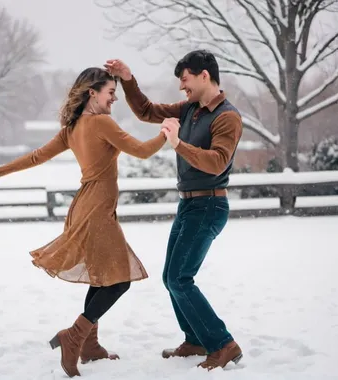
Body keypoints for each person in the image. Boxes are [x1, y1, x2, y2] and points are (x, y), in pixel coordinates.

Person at [0, 67, 170, 377]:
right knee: (118, 281)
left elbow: (37, 156)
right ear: (93, 93)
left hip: (86, 207)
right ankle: (74, 336)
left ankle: (89, 345)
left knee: (102, 277)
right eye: (110, 93)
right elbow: (143, 151)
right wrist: (166, 132)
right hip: (96, 213)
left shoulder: (73, 127)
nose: (114, 98)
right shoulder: (102, 123)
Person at [104, 50, 244, 371]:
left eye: (185, 80)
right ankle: (195, 339)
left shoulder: (227, 116)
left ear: (204, 76)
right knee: (171, 277)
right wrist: (127, 79)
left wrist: (179, 145)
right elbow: (146, 111)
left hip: (209, 204)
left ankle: (223, 344)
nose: (182, 87)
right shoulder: (190, 109)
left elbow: (217, 162)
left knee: (181, 278)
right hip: (189, 203)